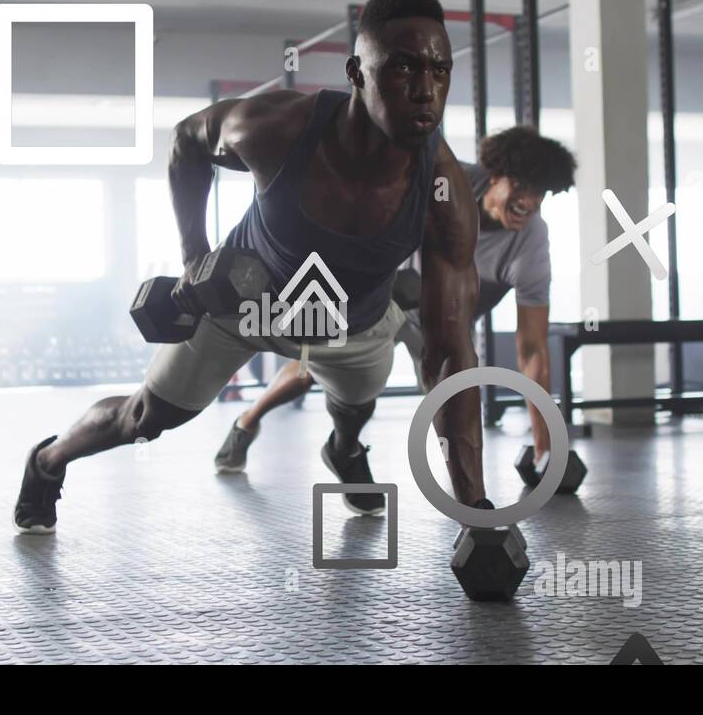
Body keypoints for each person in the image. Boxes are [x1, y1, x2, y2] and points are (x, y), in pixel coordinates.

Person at [12, 0, 489, 534]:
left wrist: (475, 511)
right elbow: (187, 141)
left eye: (440, 70)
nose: (426, 91)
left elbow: (452, 355)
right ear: (357, 72)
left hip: (352, 325)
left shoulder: (443, 194)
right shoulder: (278, 130)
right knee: (145, 418)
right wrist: (194, 256)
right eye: (404, 69)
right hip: (240, 305)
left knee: (355, 407)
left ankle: (345, 449)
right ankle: (46, 463)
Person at [214, 126, 577, 474]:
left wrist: (546, 450)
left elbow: (531, 350)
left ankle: (470, 507)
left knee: (453, 403)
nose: (527, 202)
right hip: (386, 298)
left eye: (539, 193)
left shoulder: (530, 245)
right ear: (495, 175)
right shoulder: (448, 183)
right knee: (313, 369)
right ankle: (247, 423)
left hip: (442, 324)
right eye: (520, 186)